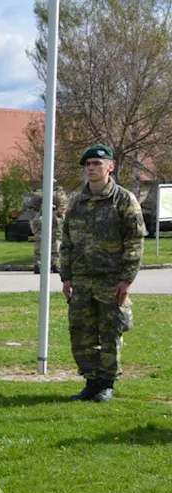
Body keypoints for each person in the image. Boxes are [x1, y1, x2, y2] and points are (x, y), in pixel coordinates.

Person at [59, 144, 146, 403]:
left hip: (111, 280)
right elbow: (67, 242)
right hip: (82, 280)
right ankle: (91, 381)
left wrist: (126, 279)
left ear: (111, 167)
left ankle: (107, 384)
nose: (92, 168)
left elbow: (134, 241)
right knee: (82, 332)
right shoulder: (76, 202)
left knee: (110, 331)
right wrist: (66, 277)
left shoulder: (123, 200)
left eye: (97, 163)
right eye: (88, 165)